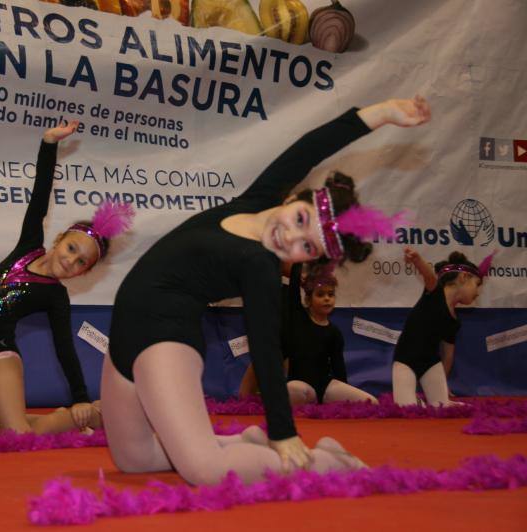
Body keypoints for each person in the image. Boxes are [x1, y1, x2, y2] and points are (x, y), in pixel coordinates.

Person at [102, 97, 430, 485]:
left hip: (165, 341)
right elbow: (309, 148)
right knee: (135, 461)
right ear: (292, 199)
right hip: (122, 336)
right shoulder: (257, 201)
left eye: (306, 248)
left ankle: (327, 463)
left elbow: (266, 348)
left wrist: (283, 431)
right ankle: (246, 444)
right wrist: (380, 114)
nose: (291, 237)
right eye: (299, 220)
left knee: (205, 471)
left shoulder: (259, 265)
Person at [0, 121, 133, 433]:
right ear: (59, 239)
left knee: (16, 438)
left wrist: (79, 397)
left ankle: (86, 414)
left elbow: (65, 348)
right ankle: (67, 418)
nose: (70, 259)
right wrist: (49, 143)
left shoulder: (55, 296)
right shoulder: (28, 245)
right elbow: (40, 195)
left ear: (84, 271)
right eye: (71, 248)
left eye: (81, 261)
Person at [240, 262, 378, 405]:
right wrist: (299, 262)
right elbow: (294, 289)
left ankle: (319, 402)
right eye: (320, 295)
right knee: (292, 389)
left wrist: (343, 396)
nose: (326, 298)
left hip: (325, 386)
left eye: (330, 294)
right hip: (300, 385)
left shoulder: (335, 332)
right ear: (309, 299)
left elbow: (339, 367)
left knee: (371, 402)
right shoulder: (299, 319)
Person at [392, 248, 492, 406]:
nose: (478, 292)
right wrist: (417, 259)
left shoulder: (454, 321)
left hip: (431, 363)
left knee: (442, 405)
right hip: (405, 360)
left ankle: (458, 405)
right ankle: (417, 401)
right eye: (477, 284)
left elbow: (448, 355)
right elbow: (429, 276)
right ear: (463, 277)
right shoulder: (435, 293)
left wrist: (442, 385)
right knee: (405, 408)